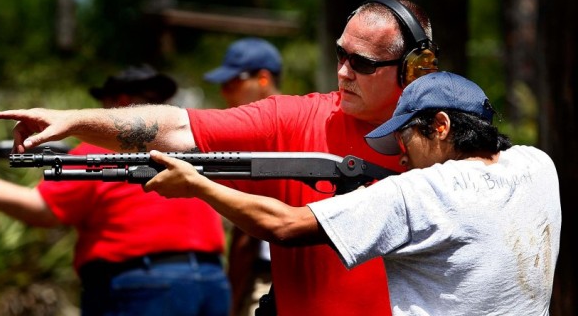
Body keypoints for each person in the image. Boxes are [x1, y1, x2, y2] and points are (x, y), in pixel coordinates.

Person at [0, 0, 437, 315]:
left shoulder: (449, 136)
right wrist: (72, 121)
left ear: (414, 67)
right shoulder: (296, 117)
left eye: (360, 63)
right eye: (340, 55)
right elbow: (178, 128)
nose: (342, 72)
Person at [146, 71, 562, 315]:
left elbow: (284, 225)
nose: (401, 159)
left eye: (406, 141)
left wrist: (197, 185)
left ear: (440, 127)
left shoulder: (421, 192)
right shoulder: (537, 166)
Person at [0, 65, 231, 316]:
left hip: (143, 286)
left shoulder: (101, 149)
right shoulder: (193, 149)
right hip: (212, 280)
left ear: (120, 102)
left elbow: (42, 209)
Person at [203, 37, 281, 316]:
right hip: (262, 275)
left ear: (262, 79)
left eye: (232, 83)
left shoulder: (293, 127)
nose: (225, 93)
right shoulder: (251, 135)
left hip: (281, 276)